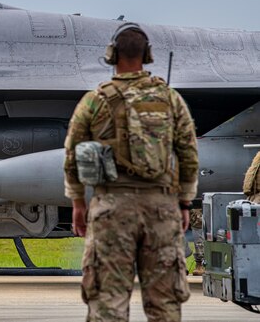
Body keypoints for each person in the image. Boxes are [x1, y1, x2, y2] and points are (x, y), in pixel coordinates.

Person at [64, 22, 199, 322]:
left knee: (108, 305)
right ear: (147, 55)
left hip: (111, 209)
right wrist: (184, 203)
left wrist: (77, 203)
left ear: (111, 55)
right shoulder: (170, 99)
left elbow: (72, 155)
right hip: (162, 211)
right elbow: (189, 154)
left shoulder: (94, 100)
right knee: (165, 305)